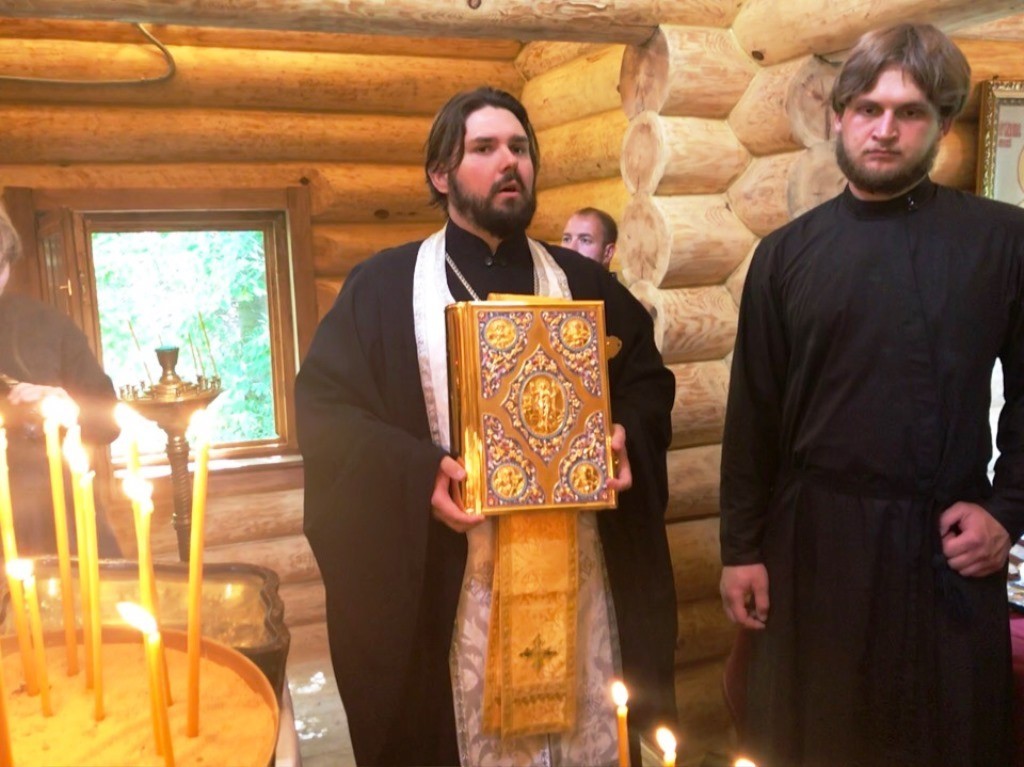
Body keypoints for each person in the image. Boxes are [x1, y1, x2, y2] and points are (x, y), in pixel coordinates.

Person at [296, 87, 677, 766]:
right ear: (440, 174)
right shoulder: (383, 289)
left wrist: (623, 434)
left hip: (579, 579)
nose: (510, 162)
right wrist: (419, 474)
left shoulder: (586, 284)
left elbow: (647, 385)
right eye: (485, 148)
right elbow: (327, 414)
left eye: (520, 148)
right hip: (455, 580)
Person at [719, 23, 1024, 767]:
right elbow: (753, 415)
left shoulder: (1002, 242)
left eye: (910, 112)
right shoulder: (784, 256)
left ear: (942, 125)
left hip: (944, 550)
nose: (884, 129)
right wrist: (741, 549)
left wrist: (1007, 511)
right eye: (868, 109)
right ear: (838, 117)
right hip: (812, 550)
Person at [0, 205, 121, 557]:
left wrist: (69, 408)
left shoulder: (46, 324)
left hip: (60, 524)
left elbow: (108, 423)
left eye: (1, 264)